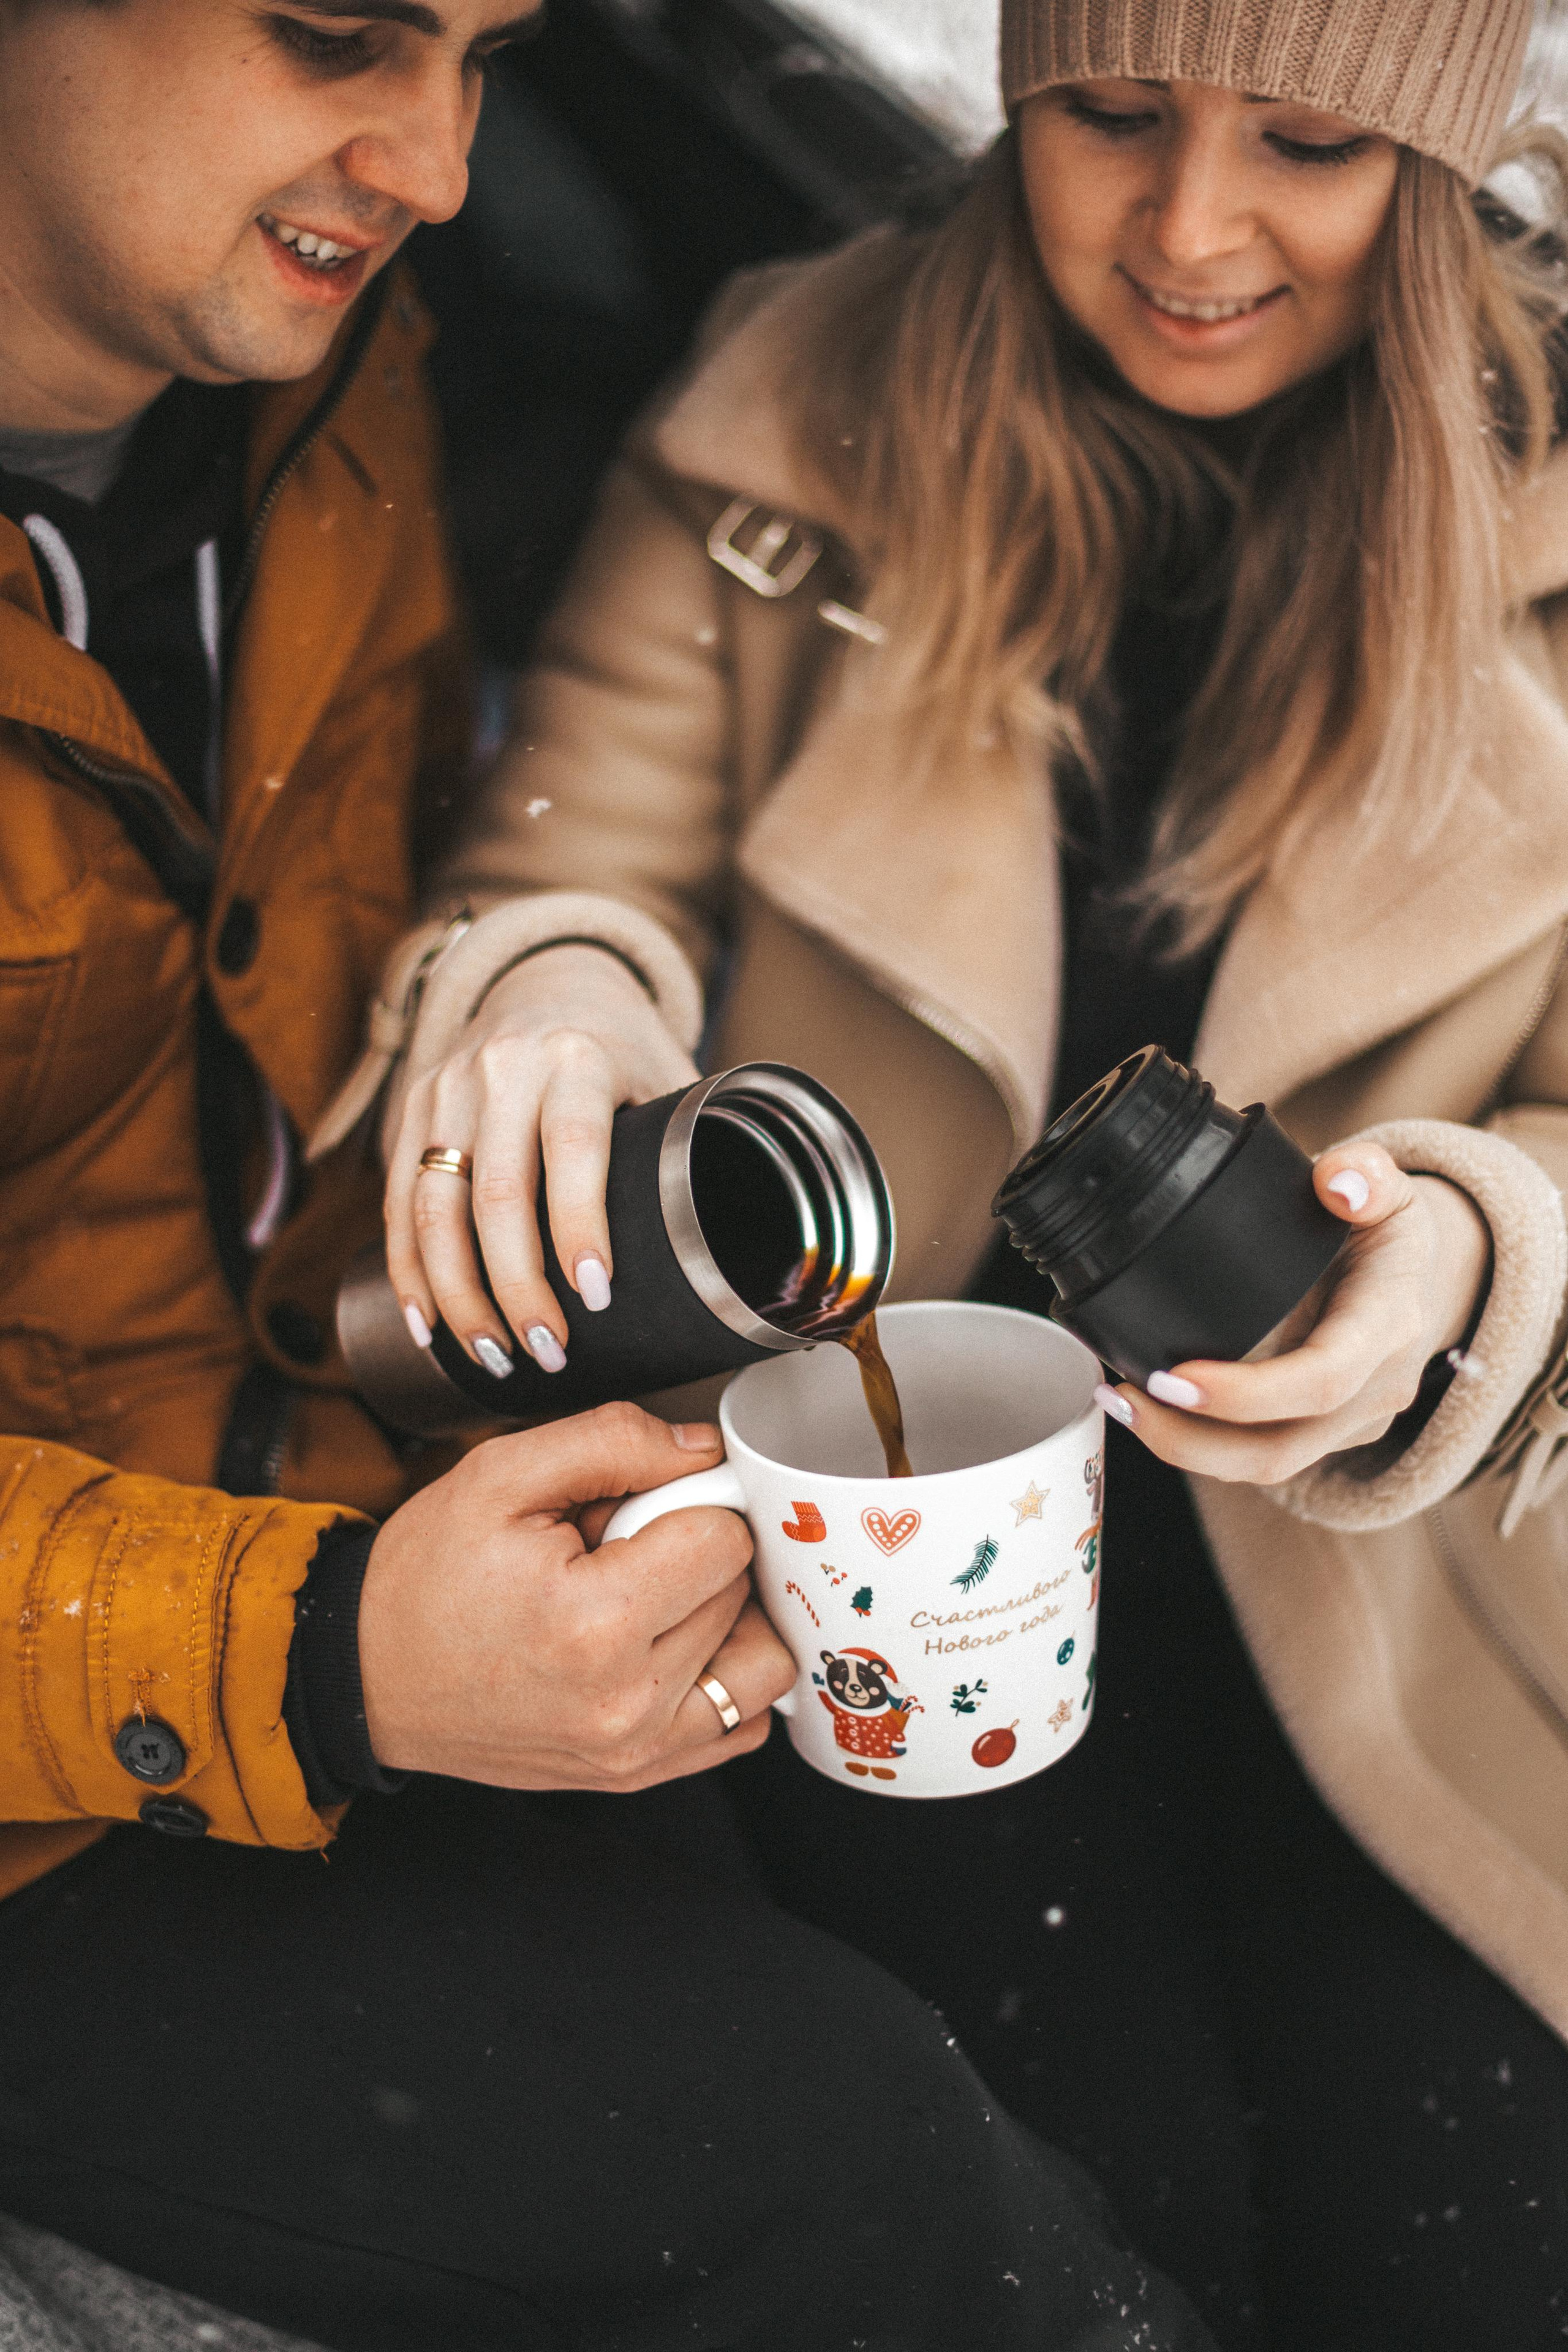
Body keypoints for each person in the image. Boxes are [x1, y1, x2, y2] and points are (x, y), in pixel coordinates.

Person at [0, 5, 1222, 2348]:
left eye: (490, 53)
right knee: (865, 2167)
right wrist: (329, 1656)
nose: (443, 159)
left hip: (343, 1499)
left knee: (1053, 1970)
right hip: (86, 1766)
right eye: (345, 35)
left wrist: (532, 1018)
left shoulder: (320, 381)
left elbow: (374, 941)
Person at [366, 0, 1568, 2342]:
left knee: (1474, 2250)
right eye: (1111, 114)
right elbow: (560, 853)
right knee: (1062, 2249)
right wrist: (557, 999)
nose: (1192, 232)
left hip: (1425, 1597)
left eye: (1308, 148)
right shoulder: (787, 405)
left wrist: (1476, 1253)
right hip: (878, 1577)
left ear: (1433, 171)